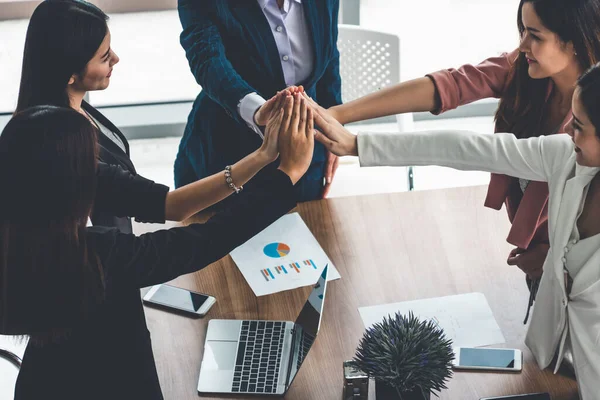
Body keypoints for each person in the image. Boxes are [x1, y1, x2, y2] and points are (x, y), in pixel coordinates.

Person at [310, 62, 600, 399]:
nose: (567, 132)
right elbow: (467, 149)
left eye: (578, 126)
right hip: (550, 361)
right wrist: (359, 145)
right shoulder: (566, 158)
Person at [0, 95, 314, 399]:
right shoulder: (94, 257)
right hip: (114, 383)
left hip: (41, 384)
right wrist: (288, 174)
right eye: (89, 163)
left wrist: (263, 157)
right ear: (72, 180)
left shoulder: (20, 240)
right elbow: (202, 243)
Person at [317, 0, 600, 288]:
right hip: (538, 262)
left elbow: (469, 150)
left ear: (575, 38)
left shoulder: (589, 126)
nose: (523, 44)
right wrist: (338, 114)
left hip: (578, 274)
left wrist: (557, 256)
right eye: (523, 31)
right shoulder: (526, 70)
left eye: (535, 36)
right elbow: (451, 85)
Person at [17, 0, 291, 233]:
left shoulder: (75, 108)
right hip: (104, 276)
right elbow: (172, 206)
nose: (116, 59)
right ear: (69, 73)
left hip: (118, 251)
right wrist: (265, 154)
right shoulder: (64, 150)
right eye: (103, 57)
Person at [174, 0, 343, 200]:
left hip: (306, 149)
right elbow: (207, 60)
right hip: (226, 152)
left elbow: (329, 55)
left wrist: (333, 126)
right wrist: (256, 111)